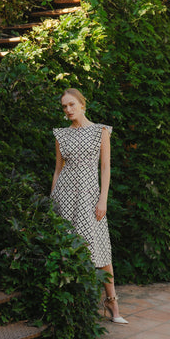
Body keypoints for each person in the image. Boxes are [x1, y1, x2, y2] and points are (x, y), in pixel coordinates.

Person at [51, 88, 128, 324]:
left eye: (72, 104)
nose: (68, 110)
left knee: (101, 249)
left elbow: (105, 168)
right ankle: (72, 306)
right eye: (64, 106)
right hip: (64, 197)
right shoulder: (61, 135)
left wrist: (103, 198)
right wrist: (52, 199)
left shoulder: (100, 131)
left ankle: (113, 305)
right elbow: (58, 169)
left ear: (82, 104)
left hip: (90, 197)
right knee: (68, 251)